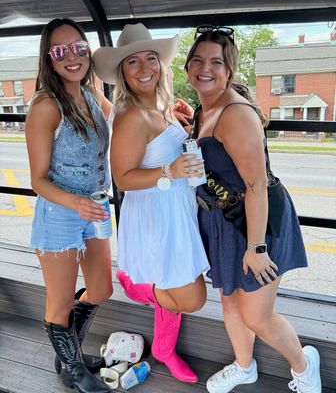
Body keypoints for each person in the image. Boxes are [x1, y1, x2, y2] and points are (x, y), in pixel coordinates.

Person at [184, 25, 322, 393]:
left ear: (229, 69)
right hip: (221, 221)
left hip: (257, 222)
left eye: (215, 61)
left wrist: (257, 247)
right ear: (187, 67)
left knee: (257, 315)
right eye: (197, 60)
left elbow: (256, 185)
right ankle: (244, 366)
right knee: (230, 301)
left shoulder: (235, 113)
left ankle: (304, 367)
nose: (205, 68)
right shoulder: (204, 108)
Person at [93, 23, 210, 383]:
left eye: (151, 58)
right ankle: (132, 281)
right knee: (191, 298)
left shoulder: (160, 104)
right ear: (122, 72)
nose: (145, 68)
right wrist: (170, 170)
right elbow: (124, 177)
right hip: (155, 215)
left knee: (178, 285)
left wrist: (187, 130)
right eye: (133, 62)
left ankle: (163, 349)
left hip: (176, 208)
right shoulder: (130, 115)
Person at [25, 18, 113, 393]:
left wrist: (163, 114)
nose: (73, 57)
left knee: (102, 288)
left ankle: (69, 353)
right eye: (61, 51)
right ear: (50, 57)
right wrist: (75, 202)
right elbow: (38, 181)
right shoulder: (46, 106)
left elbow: (120, 116)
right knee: (59, 303)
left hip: (94, 206)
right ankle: (74, 371)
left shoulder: (91, 89)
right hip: (61, 213)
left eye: (79, 47)